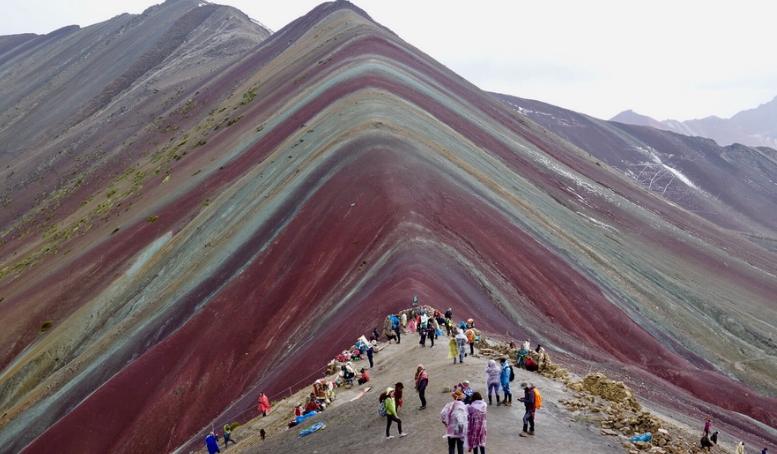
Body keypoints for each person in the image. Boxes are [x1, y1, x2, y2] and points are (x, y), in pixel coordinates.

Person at [441, 389, 468, 454]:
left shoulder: (450, 405)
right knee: (460, 446)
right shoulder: (465, 406)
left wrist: (445, 422)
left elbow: (442, 413)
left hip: (452, 429)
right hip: (461, 429)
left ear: (453, 397)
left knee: (451, 446)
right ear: (462, 398)